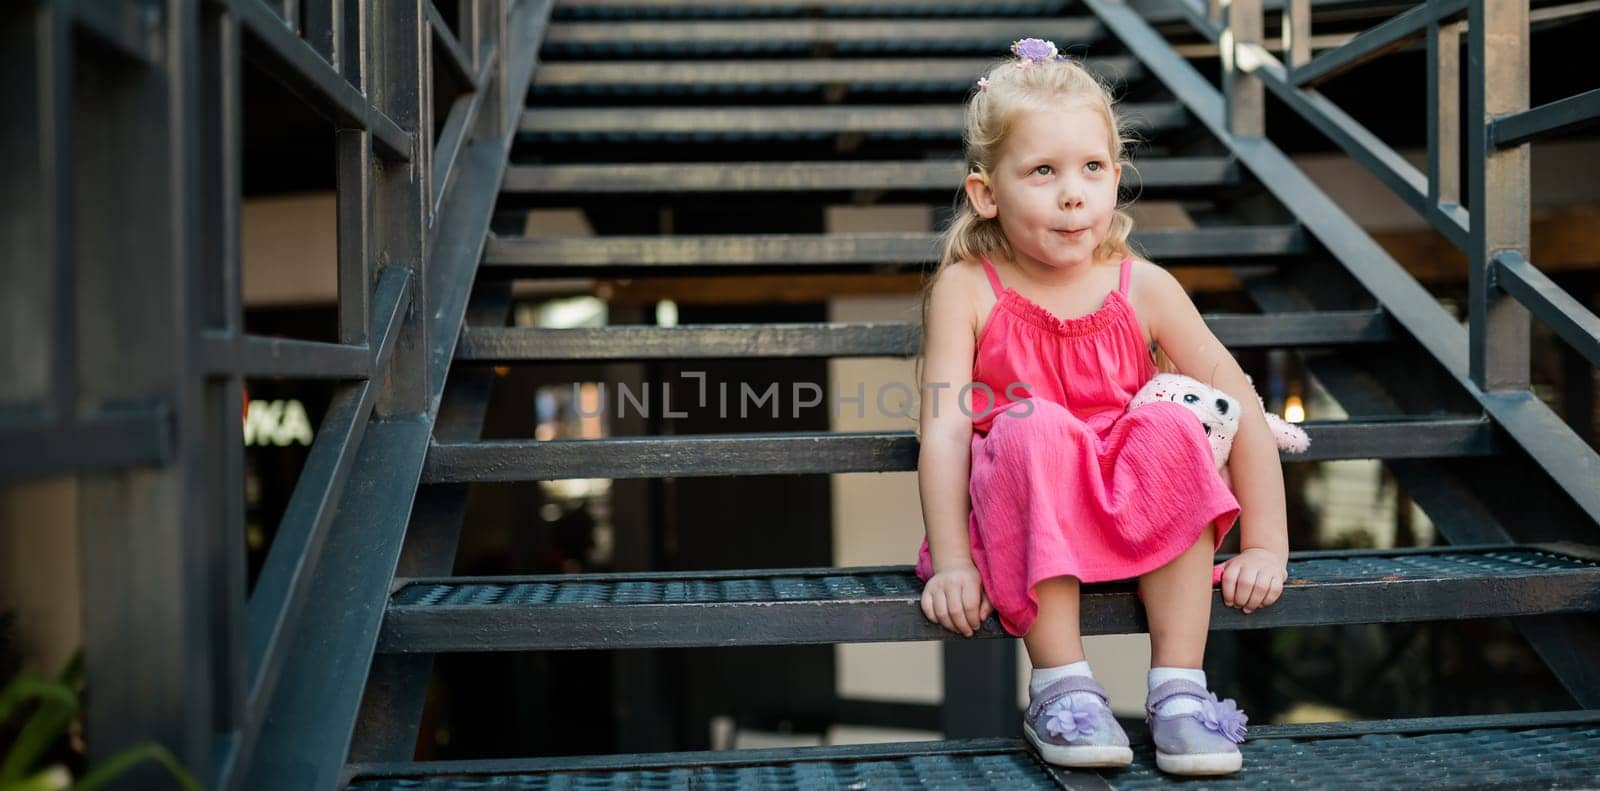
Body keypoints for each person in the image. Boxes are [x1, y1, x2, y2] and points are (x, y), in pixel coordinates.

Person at [911, 38, 1289, 777]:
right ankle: (1061, 685)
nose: (1072, 193)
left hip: (1128, 497)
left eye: (1090, 169)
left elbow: (1234, 398)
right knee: (1033, 422)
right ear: (987, 193)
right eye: (1043, 172)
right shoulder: (969, 288)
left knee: (1179, 422)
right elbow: (948, 425)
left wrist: (1267, 541)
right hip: (1029, 502)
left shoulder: (1142, 285)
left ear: (1116, 178)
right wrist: (953, 560)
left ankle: (1179, 687)